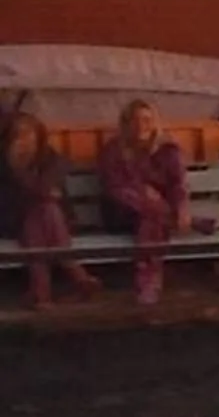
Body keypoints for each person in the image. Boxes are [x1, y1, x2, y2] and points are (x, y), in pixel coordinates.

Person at [98, 99, 200, 305]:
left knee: (150, 219)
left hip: (152, 217)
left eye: (146, 120)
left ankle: (148, 284)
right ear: (125, 124)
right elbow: (113, 186)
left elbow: (178, 183)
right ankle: (150, 283)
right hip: (122, 213)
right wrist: (142, 192)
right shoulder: (113, 150)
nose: (141, 125)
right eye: (134, 120)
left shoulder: (167, 150)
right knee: (146, 210)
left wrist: (181, 208)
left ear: (154, 123)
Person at [4, 106, 98, 306]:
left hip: (48, 222)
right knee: (43, 208)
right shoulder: (3, 163)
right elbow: (17, 200)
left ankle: (41, 290)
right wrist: (16, 170)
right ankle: (76, 273)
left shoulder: (50, 158)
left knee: (41, 213)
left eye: (30, 136)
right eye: (19, 136)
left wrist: (33, 184)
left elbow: (51, 179)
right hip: (11, 220)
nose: (25, 142)